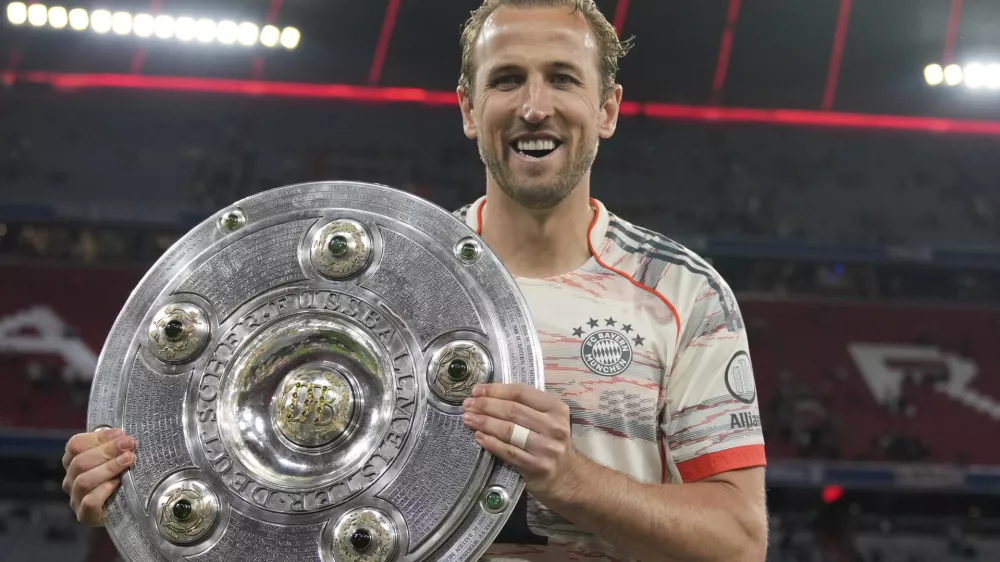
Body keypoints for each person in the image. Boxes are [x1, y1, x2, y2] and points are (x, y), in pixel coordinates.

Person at [61, 1, 768, 560]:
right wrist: (132, 481)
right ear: (467, 107)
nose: (533, 106)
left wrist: (572, 479)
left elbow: (737, 542)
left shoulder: (680, 294)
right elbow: (265, 490)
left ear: (607, 108)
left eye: (561, 77)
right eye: (506, 79)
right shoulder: (386, 284)